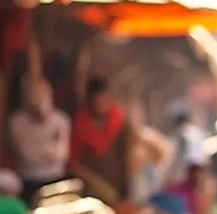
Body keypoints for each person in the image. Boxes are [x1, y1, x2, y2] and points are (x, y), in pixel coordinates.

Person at [69, 76, 131, 205]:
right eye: (97, 100)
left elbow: (124, 160)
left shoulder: (119, 123)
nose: (101, 104)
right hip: (87, 194)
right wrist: (94, 181)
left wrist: (125, 194)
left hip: (115, 193)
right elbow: (73, 162)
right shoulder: (79, 124)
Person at [9, 78, 71, 205]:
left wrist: (40, 149)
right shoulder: (17, 122)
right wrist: (47, 150)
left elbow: (61, 154)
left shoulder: (61, 121)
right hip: (28, 180)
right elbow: (27, 155)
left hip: (55, 178)